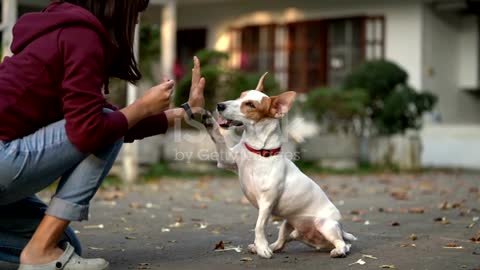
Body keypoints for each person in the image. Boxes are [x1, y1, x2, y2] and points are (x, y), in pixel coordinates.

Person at [0, 0, 206, 269]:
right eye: (135, 14)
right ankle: (38, 251)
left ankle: (40, 249)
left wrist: (185, 113)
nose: (133, 24)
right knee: (104, 125)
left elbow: (108, 122)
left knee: (64, 247)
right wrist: (141, 106)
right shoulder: (81, 35)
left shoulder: (63, 30)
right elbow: (92, 131)